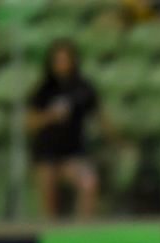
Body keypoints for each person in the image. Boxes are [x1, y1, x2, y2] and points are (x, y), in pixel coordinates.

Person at [26, 39, 104, 220]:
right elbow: (29, 123)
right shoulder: (43, 89)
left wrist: (118, 141)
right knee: (49, 191)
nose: (62, 64)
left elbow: (100, 116)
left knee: (89, 183)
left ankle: (83, 232)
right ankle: (51, 233)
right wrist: (50, 116)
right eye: (58, 60)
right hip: (46, 153)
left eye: (65, 59)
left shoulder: (83, 87)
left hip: (72, 153)